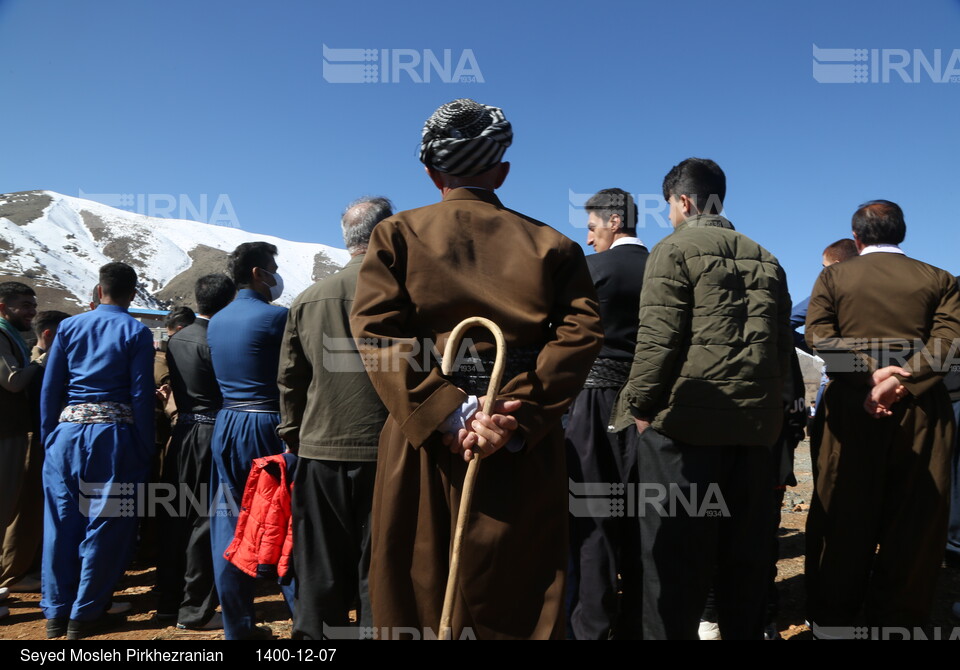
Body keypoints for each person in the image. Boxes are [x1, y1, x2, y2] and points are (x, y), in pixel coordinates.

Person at [350, 98, 603, 640]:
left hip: (423, 441)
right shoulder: (553, 246)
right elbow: (581, 334)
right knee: (520, 594)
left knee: (418, 586)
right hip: (518, 441)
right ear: (503, 171)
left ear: (431, 172)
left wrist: (450, 413)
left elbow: (375, 332)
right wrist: (515, 416)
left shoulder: (395, 235)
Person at [610, 157, 793, 640]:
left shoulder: (672, 250)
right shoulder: (767, 257)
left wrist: (639, 410)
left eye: (669, 205)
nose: (668, 215)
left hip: (685, 432)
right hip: (753, 434)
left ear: (684, 201)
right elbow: (781, 353)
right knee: (745, 560)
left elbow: (657, 342)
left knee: (673, 563)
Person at [804, 200, 960, 632]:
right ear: (902, 233)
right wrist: (904, 380)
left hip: (852, 411)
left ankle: (834, 617)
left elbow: (818, 336)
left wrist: (870, 376)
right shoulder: (941, 279)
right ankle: (899, 619)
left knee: (843, 512)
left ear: (857, 238)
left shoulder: (833, 276)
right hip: (923, 412)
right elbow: (950, 340)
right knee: (914, 521)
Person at [278, 196, 393, 639]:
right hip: (389, 449)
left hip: (321, 447)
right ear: (386, 233)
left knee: (320, 559)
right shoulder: (407, 291)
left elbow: (290, 378)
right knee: (379, 559)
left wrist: (292, 433)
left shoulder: (308, 299)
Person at [40, 262, 155, 639]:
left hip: (67, 435)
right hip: (114, 437)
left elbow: (50, 387)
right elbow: (140, 394)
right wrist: (144, 443)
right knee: (106, 524)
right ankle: (86, 614)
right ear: (132, 294)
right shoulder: (135, 331)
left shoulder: (69, 327)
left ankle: (56, 613)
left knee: (60, 523)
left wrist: (49, 436)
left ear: (98, 290)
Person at [566, 188, 647, 639]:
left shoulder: (592, 271)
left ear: (614, 222)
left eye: (593, 226)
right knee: (643, 519)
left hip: (595, 406)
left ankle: (592, 630)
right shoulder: (663, 268)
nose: (589, 235)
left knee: (594, 519)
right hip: (651, 408)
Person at [207, 242, 292, 640]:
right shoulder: (277, 319)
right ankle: (304, 621)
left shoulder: (216, 320)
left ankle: (236, 628)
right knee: (283, 519)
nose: (276, 275)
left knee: (229, 521)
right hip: (268, 425)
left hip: (227, 423)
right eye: (273, 268)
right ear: (259, 273)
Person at [156, 276, 235, 630]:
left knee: (175, 515)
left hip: (182, 433)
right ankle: (196, 611)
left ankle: (167, 604)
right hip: (211, 432)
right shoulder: (218, 341)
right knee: (205, 520)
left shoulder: (177, 339)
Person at [0, 310, 69, 595]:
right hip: (32, 440)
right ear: (51, 335)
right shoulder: (39, 363)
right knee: (25, 507)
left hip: (29, 437)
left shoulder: (27, 354)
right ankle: (13, 573)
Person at [0, 282, 42, 618]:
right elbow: (12, 381)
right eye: (23, 305)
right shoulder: (0, 337)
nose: (31, 311)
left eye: (33, 305)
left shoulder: (10, 336)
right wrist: (40, 362)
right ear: (3, 307)